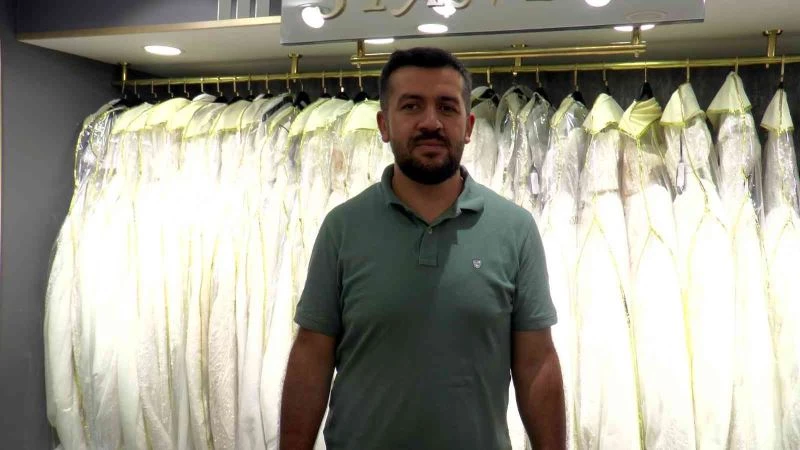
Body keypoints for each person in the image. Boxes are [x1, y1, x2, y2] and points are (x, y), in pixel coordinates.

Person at [279, 47, 565, 450]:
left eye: (446, 107)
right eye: (411, 106)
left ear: (468, 126)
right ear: (384, 124)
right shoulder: (341, 229)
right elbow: (312, 358)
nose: (431, 122)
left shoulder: (515, 230)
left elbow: (537, 364)